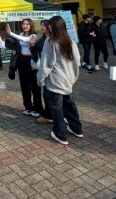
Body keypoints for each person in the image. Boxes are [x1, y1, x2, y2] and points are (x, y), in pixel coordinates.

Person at [37, 15, 83, 145]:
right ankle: (77, 129)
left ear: (52, 27)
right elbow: (77, 61)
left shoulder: (50, 41)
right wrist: (73, 77)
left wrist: (40, 79)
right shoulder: (70, 41)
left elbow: (46, 64)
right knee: (70, 106)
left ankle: (60, 134)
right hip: (68, 80)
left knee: (56, 109)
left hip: (55, 82)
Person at [6, 19, 41, 117]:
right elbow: (18, 44)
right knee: (24, 86)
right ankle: (28, 107)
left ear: (31, 25)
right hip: (22, 61)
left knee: (35, 86)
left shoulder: (34, 35)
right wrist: (15, 50)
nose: (25, 26)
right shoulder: (21, 34)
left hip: (32, 62)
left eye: (27, 24)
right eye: (23, 24)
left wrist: (11, 33)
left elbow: (26, 40)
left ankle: (38, 108)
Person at [34, 19, 54, 125]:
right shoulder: (41, 40)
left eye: (44, 26)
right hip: (44, 70)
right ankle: (48, 115)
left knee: (53, 95)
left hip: (52, 71)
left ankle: (52, 116)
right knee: (46, 93)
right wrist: (32, 46)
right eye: (41, 25)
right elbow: (36, 53)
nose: (42, 27)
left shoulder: (53, 40)